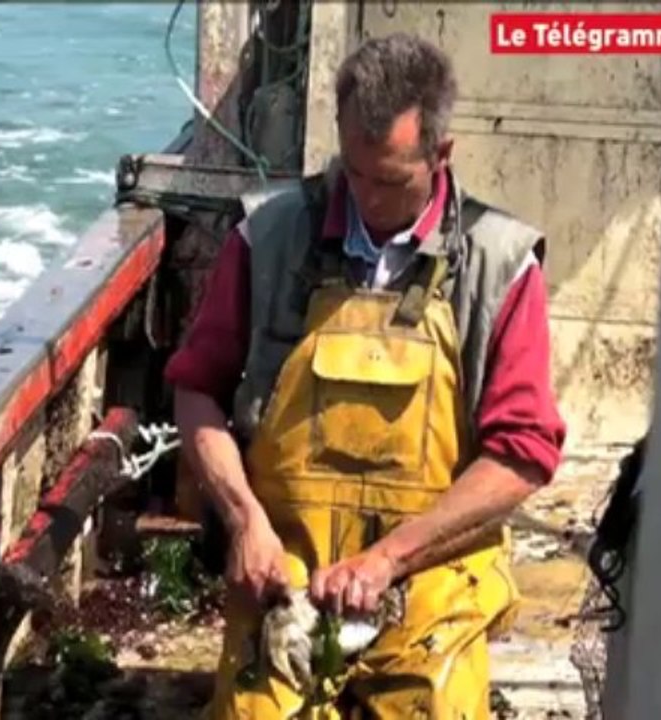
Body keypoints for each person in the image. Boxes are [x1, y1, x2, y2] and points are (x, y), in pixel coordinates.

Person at [164, 32, 566, 719]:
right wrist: (244, 521)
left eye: (391, 181)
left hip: (430, 574)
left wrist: (388, 561)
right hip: (286, 573)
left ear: (441, 153)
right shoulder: (266, 237)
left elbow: (523, 454)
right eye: (354, 173)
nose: (368, 199)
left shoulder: (500, 264)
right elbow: (197, 389)